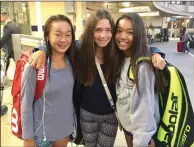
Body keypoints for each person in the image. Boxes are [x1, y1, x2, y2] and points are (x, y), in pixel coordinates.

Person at [27, 9, 165, 147]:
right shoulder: (80, 49)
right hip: (86, 114)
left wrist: (156, 53)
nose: (103, 35)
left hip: (110, 116)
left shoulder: (117, 51)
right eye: (98, 30)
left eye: (108, 30)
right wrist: (41, 50)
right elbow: (58, 44)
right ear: (90, 30)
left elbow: (139, 47)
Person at [21, 14, 77, 147]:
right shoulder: (35, 66)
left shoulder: (73, 62)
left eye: (68, 35)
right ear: (47, 36)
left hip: (64, 131)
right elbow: (26, 104)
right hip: (40, 134)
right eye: (57, 34)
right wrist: (28, 138)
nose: (63, 39)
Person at [115, 12, 164, 147]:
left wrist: (141, 142)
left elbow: (145, 112)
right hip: (129, 129)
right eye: (119, 31)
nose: (122, 36)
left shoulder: (142, 67)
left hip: (142, 137)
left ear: (138, 35)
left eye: (129, 32)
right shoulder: (121, 58)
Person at [0, 11, 21, 75]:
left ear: (4, 17)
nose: (0, 19)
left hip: (10, 49)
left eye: (0, 17)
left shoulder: (7, 26)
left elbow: (4, 38)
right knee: (17, 62)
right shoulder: (14, 25)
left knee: (5, 61)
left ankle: (4, 75)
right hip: (16, 47)